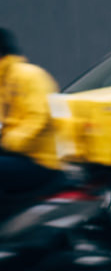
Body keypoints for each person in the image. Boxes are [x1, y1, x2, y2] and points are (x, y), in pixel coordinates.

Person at [0, 28, 65, 218]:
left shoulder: (28, 76)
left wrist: (10, 141)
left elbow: (39, 117)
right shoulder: (5, 80)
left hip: (40, 159)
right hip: (21, 155)